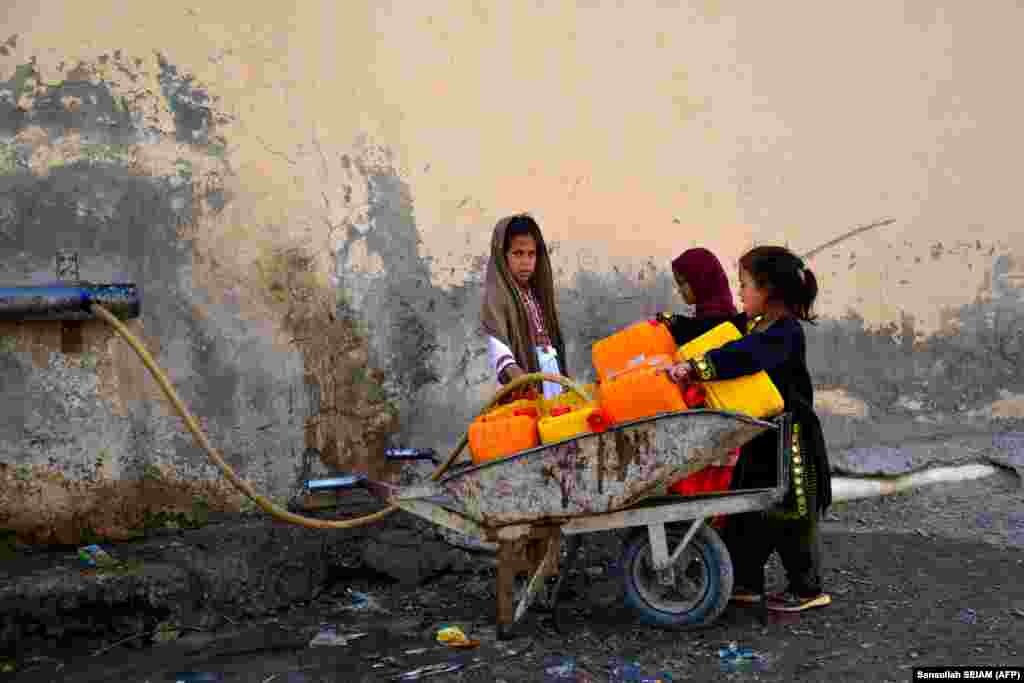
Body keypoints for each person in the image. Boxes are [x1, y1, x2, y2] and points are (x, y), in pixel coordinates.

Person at [663, 245, 833, 613]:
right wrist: (673, 325)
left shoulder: (783, 333)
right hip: (760, 433)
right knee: (746, 508)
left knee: (790, 516)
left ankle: (806, 589)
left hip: (791, 441)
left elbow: (743, 355)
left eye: (745, 285)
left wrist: (698, 368)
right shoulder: (756, 323)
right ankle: (744, 582)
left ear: (769, 290)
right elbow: (718, 331)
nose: (739, 292)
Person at [481, 214, 568, 401]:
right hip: (523, 382)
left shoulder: (536, 293)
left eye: (531, 254)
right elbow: (498, 345)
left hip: (550, 374)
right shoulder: (497, 296)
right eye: (518, 253)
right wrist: (514, 372)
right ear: (503, 255)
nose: (526, 261)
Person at [657, 247, 745, 345]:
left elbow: (695, 330)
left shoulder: (716, 324)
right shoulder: (723, 314)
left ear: (700, 281)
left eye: (681, 283)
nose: (679, 290)